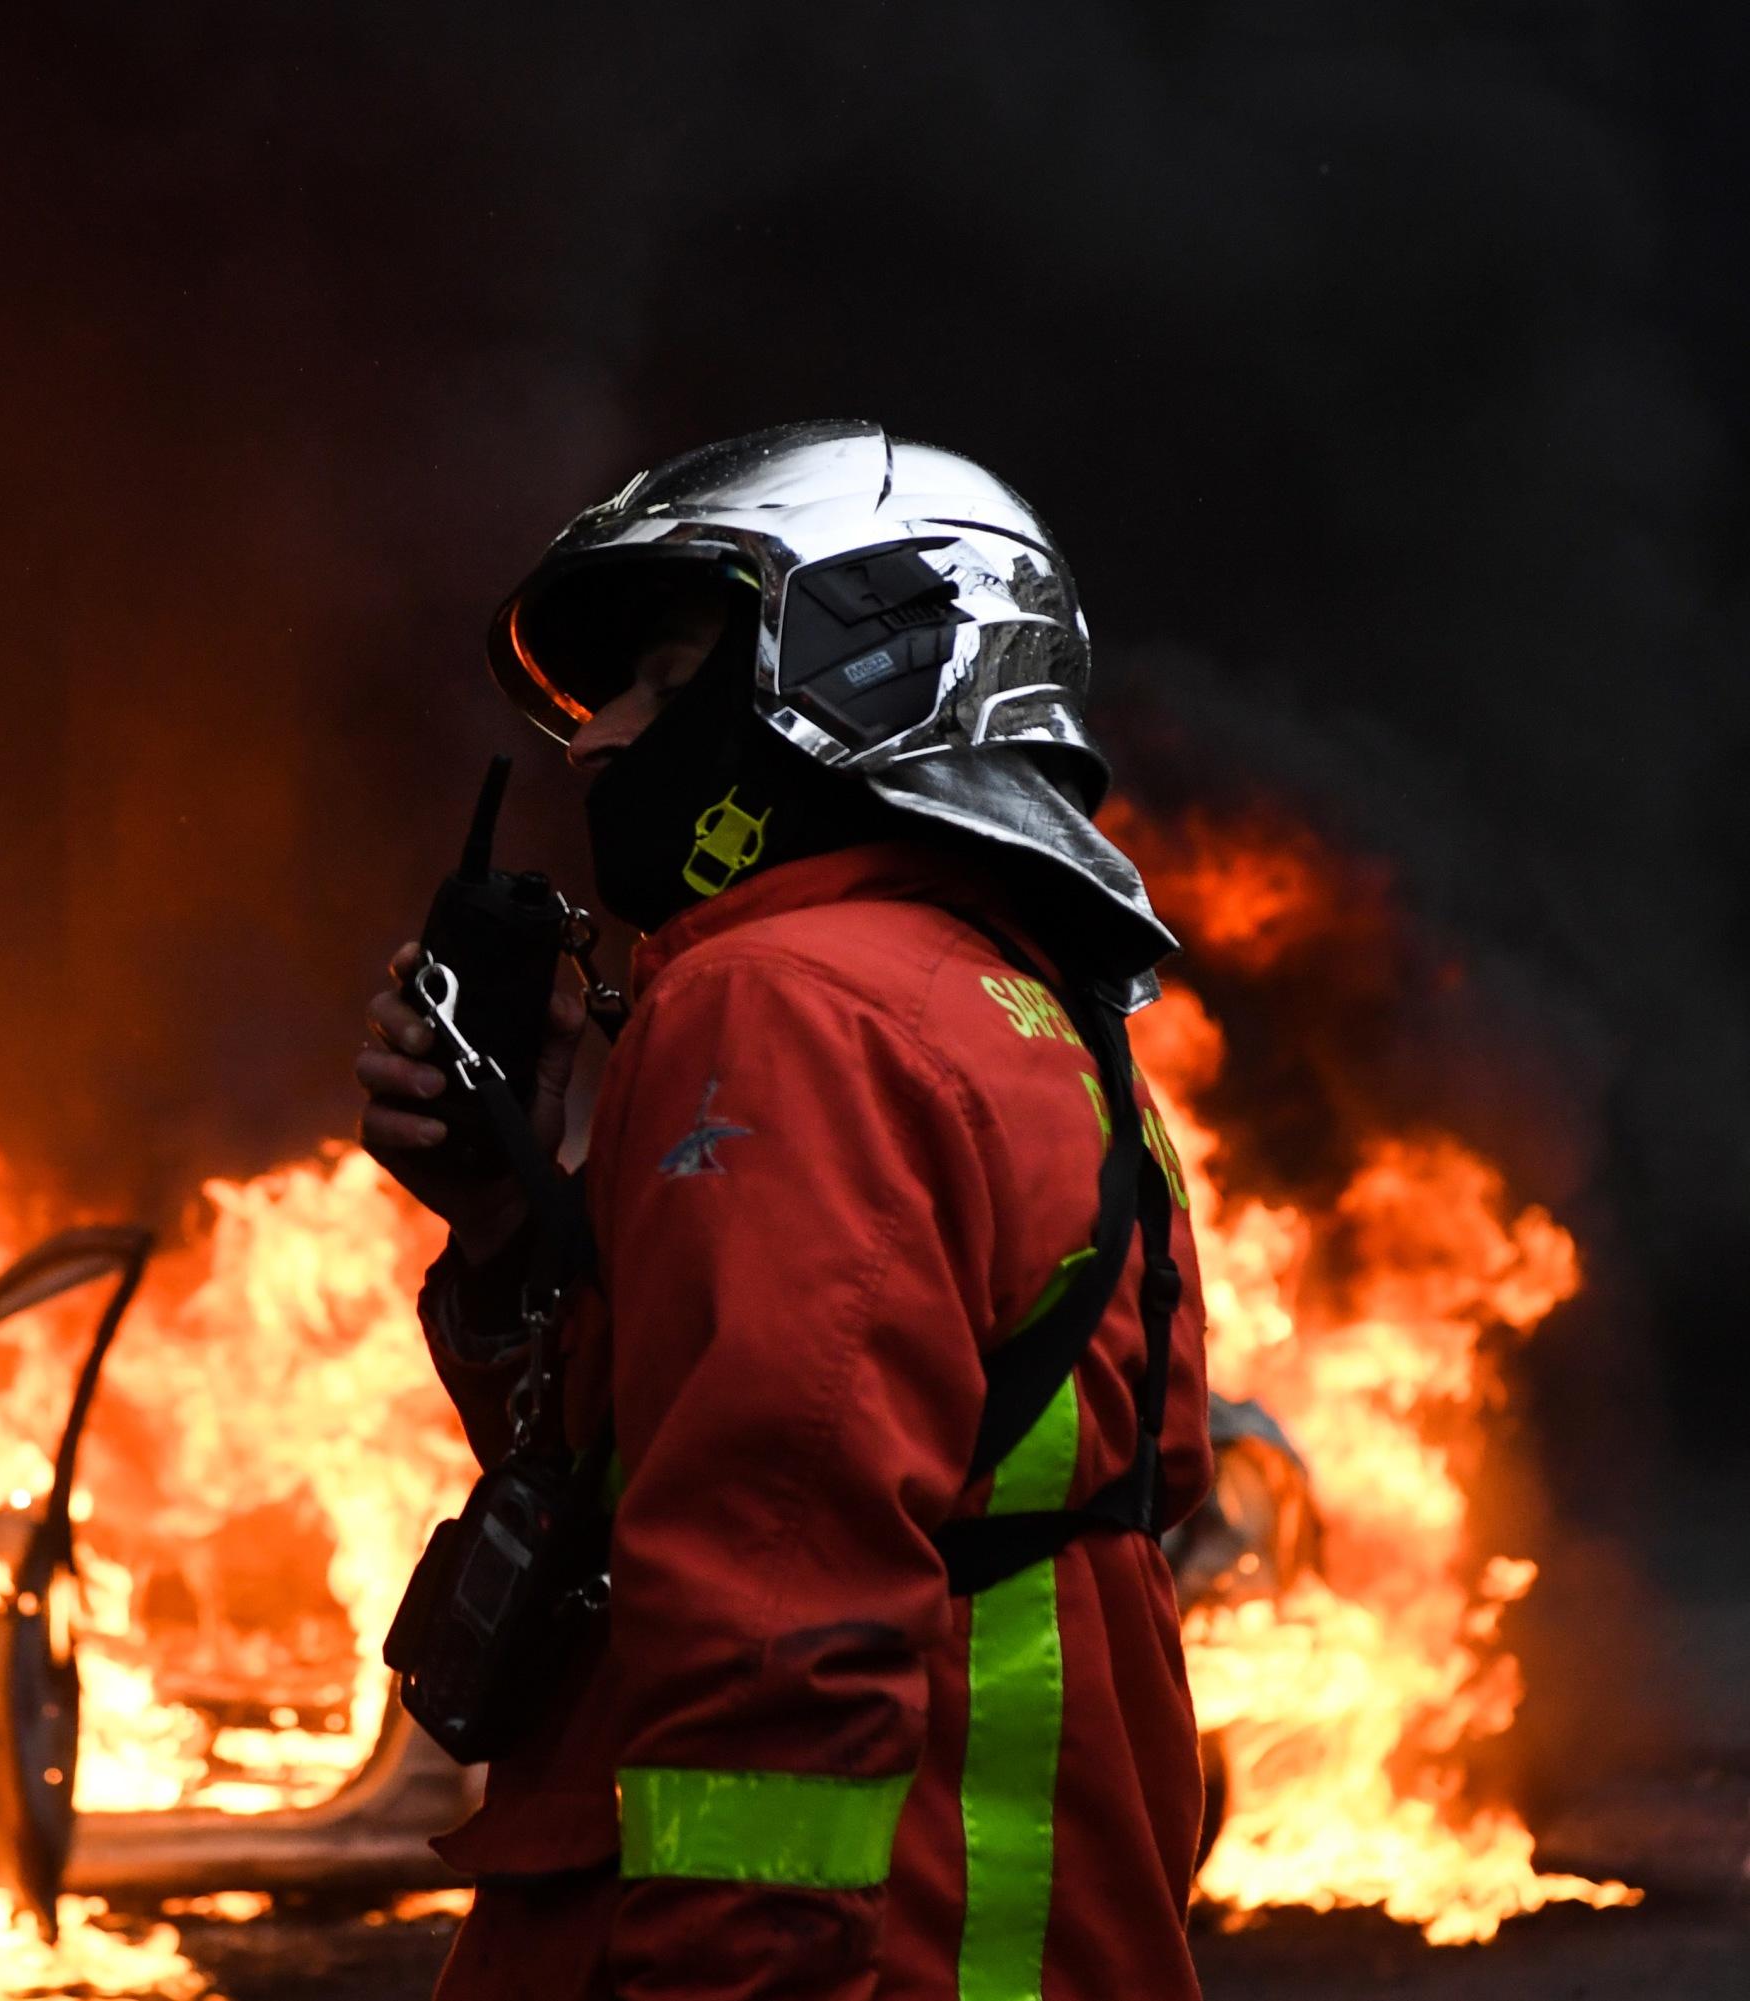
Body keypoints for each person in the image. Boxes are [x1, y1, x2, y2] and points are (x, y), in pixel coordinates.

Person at [357, 421, 1213, 2000]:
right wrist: (507, 1220)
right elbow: (683, 1467)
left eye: (668, 682)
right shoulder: (1017, 1006)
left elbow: (771, 1613)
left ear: (870, 671)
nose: (597, 741)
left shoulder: (786, 1005)